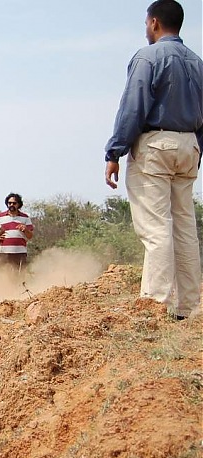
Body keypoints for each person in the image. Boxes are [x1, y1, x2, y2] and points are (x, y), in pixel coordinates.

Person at [104, 0, 203, 321]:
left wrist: (114, 152)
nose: (146, 29)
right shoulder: (197, 63)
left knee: (156, 228)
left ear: (155, 23)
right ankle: (189, 308)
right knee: (185, 228)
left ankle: (154, 306)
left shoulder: (148, 57)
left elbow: (133, 107)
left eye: (146, 23)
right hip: (189, 145)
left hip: (156, 144)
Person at [0, 193, 33, 272]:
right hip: (4, 252)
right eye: (9, 203)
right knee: (3, 276)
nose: (11, 205)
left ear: (19, 204)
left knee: (20, 275)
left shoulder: (25, 217)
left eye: (14, 203)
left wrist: (25, 229)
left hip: (20, 253)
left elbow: (30, 236)